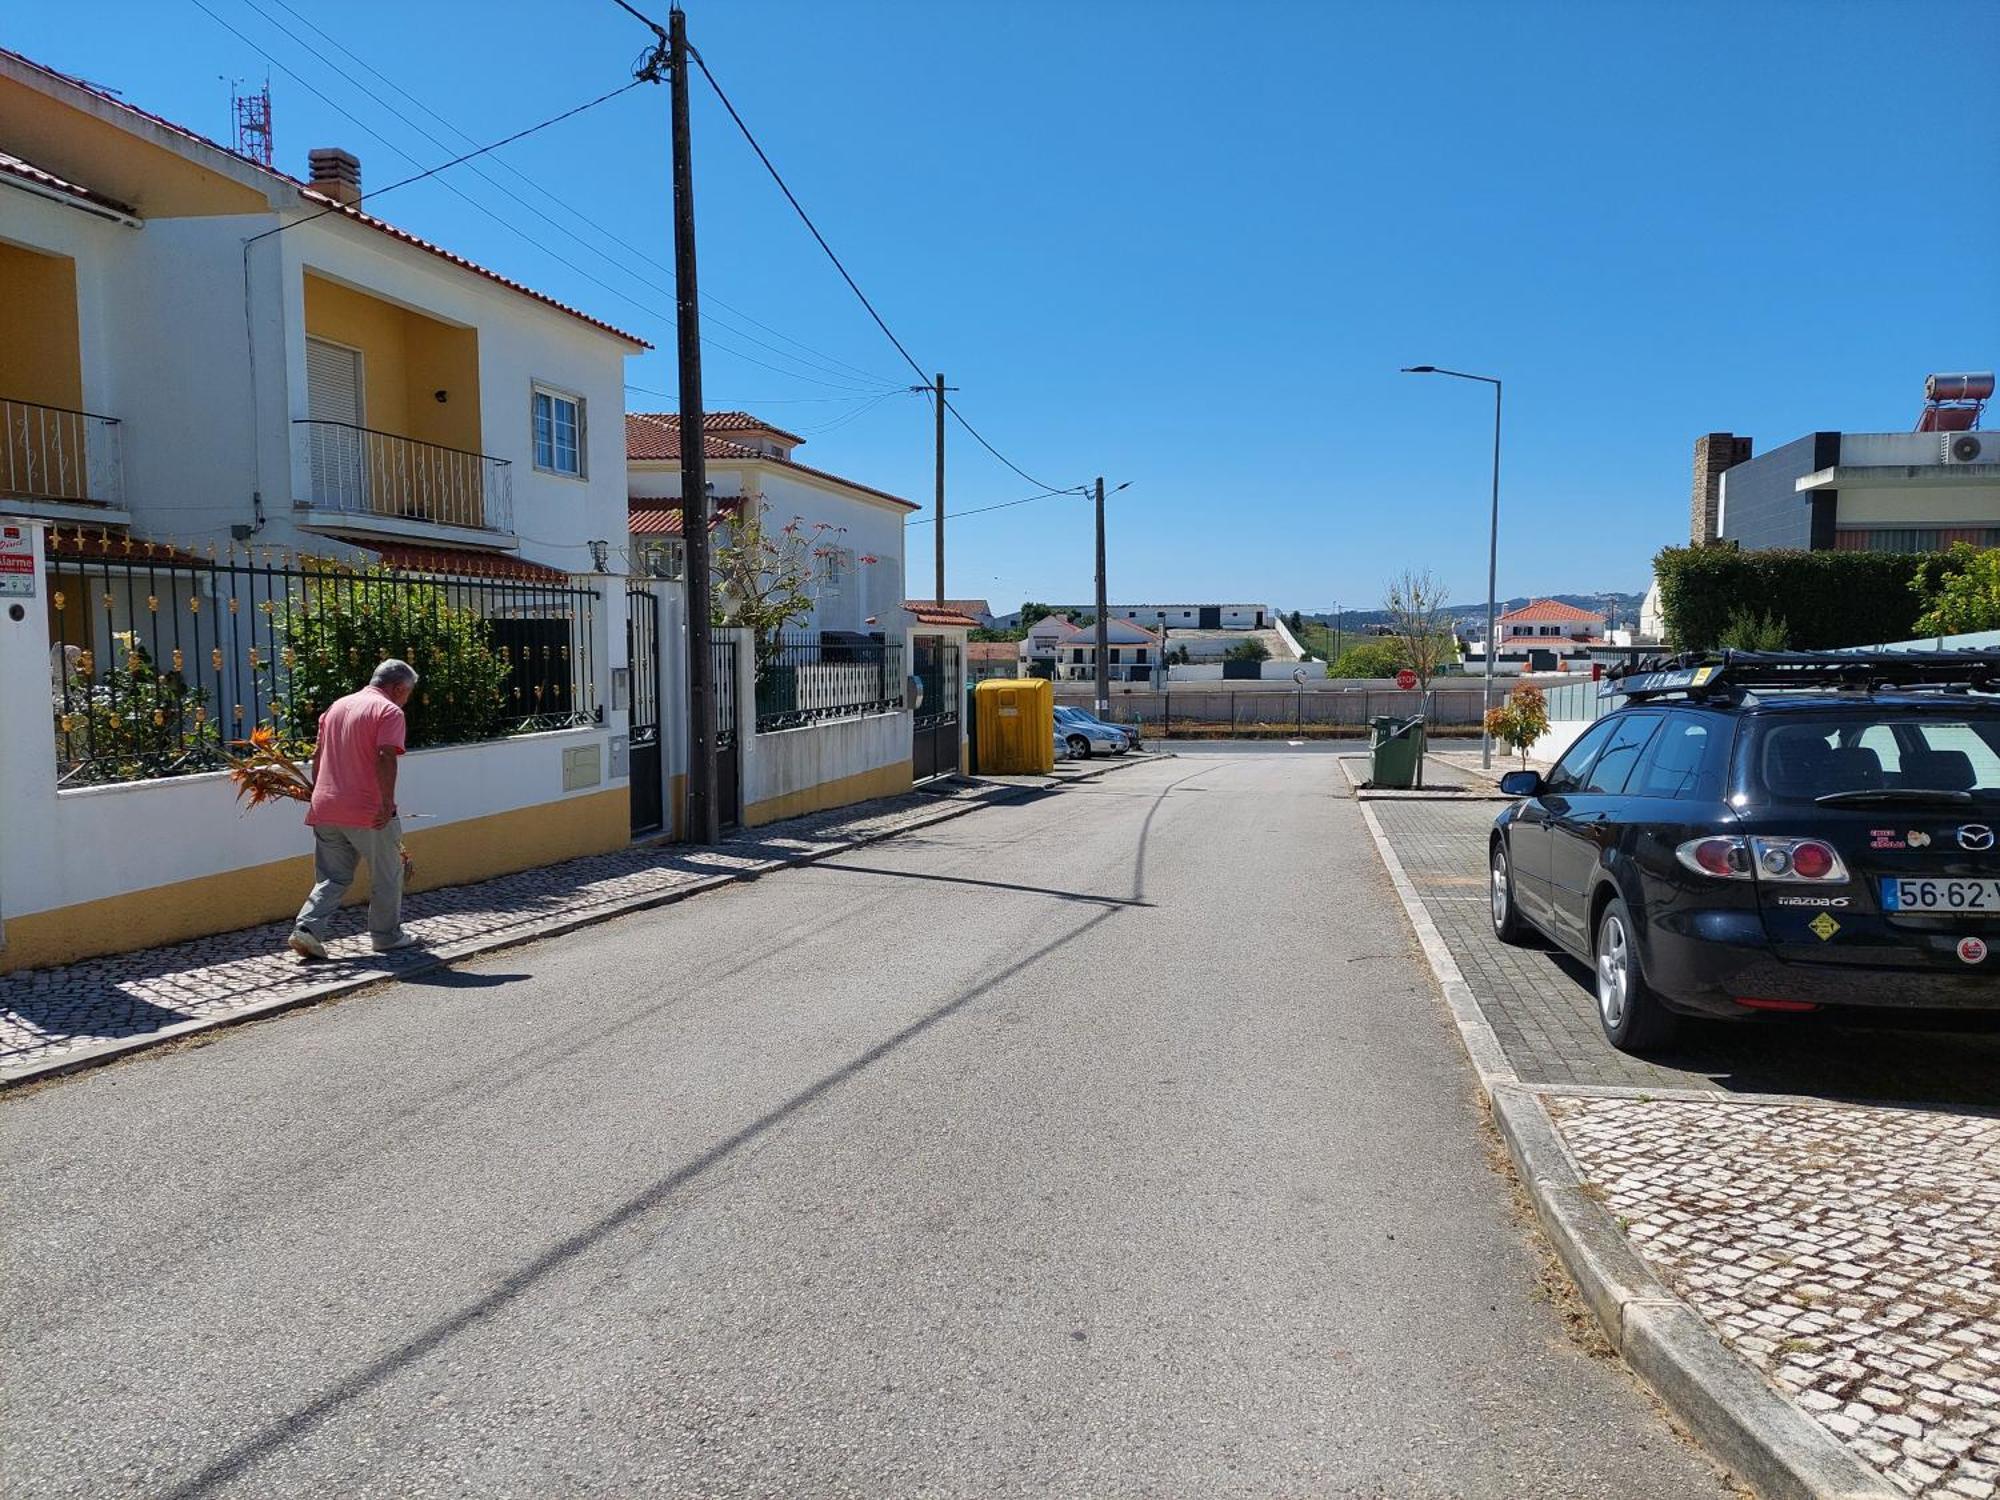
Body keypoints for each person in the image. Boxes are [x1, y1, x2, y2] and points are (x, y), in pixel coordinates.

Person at [287, 659, 422, 959]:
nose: (406, 699)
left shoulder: (337, 706)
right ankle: (386, 936)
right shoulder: (388, 711)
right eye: (407, 693)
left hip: (326, 807)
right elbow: (386, 756)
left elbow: (318, 756)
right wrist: (386, 803)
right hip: (367, 810)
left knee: (332, 877)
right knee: (387, 873)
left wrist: (317, 793)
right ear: (398, 688)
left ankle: (307, 929)